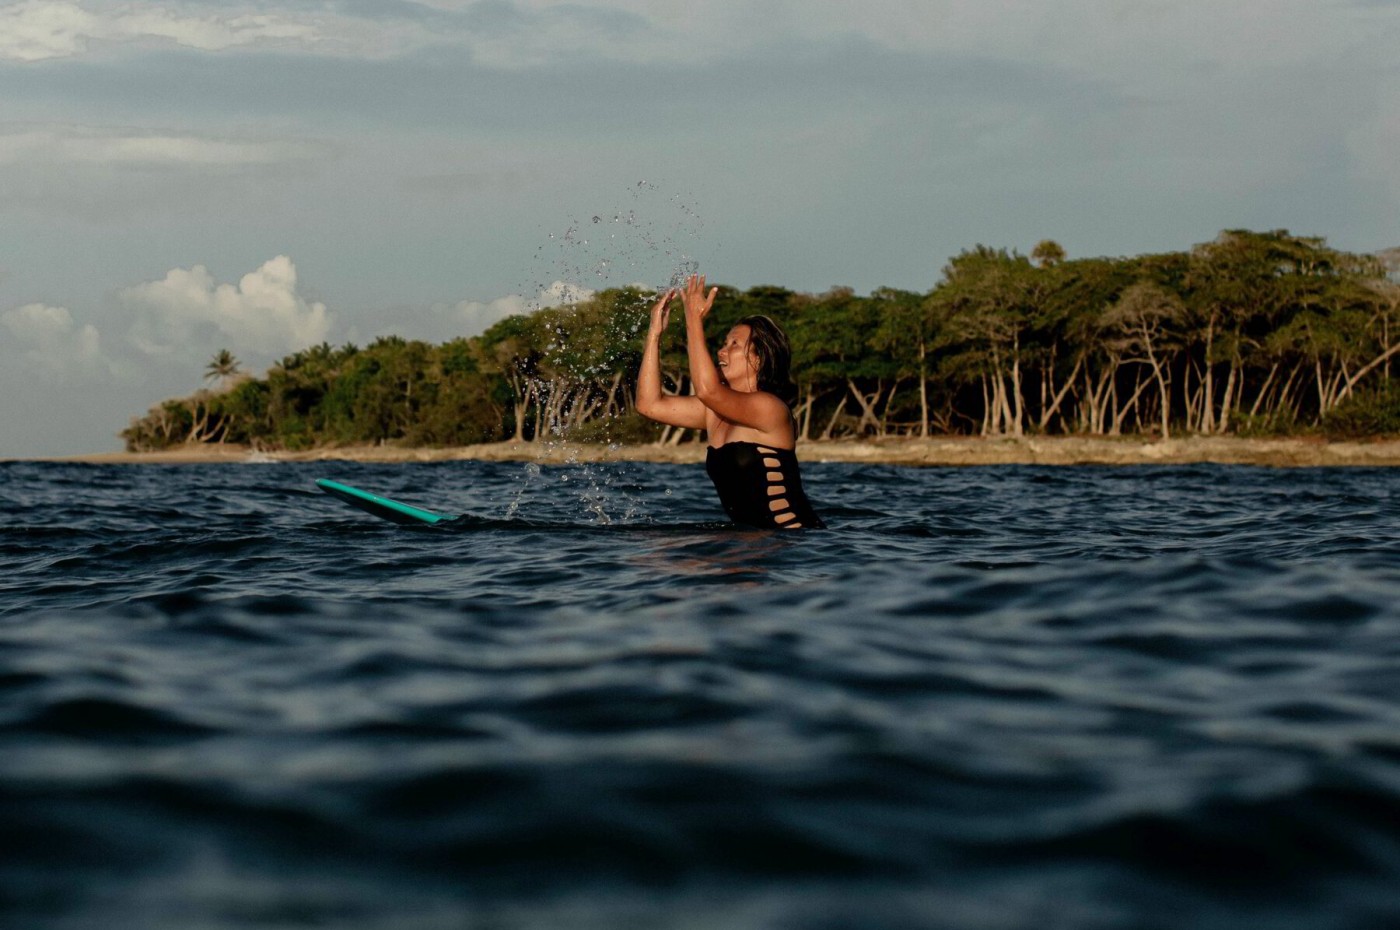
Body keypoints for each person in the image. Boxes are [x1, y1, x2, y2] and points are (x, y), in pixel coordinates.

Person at [636, 274, 825, 529]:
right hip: (745, 549)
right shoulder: (713, 411)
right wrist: (654, 333)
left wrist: (693, 319)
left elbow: (707, 390)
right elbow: (649, 405)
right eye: (724, 343)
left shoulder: (769, 408)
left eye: (734, 344)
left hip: (794, 548)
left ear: (759, 358)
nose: (722, 351)